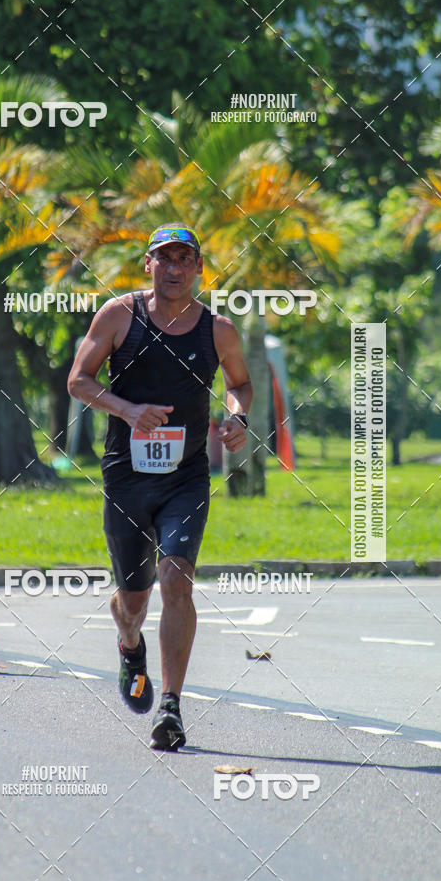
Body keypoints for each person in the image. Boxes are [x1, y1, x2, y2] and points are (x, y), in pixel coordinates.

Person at [67, 223, 252, 750]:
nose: (174, 270)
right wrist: (128, 412)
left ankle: (169, 707)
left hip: (186, 479)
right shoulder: (120, 315)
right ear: (148, 264)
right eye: (164, 260)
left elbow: (240, 385)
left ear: (198, 267)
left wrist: (238, 418)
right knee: (133, 598)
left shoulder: (218, 330)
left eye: (184, 260)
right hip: (126, 476)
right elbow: (79, 380)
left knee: (176, 580)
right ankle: (129, 645)